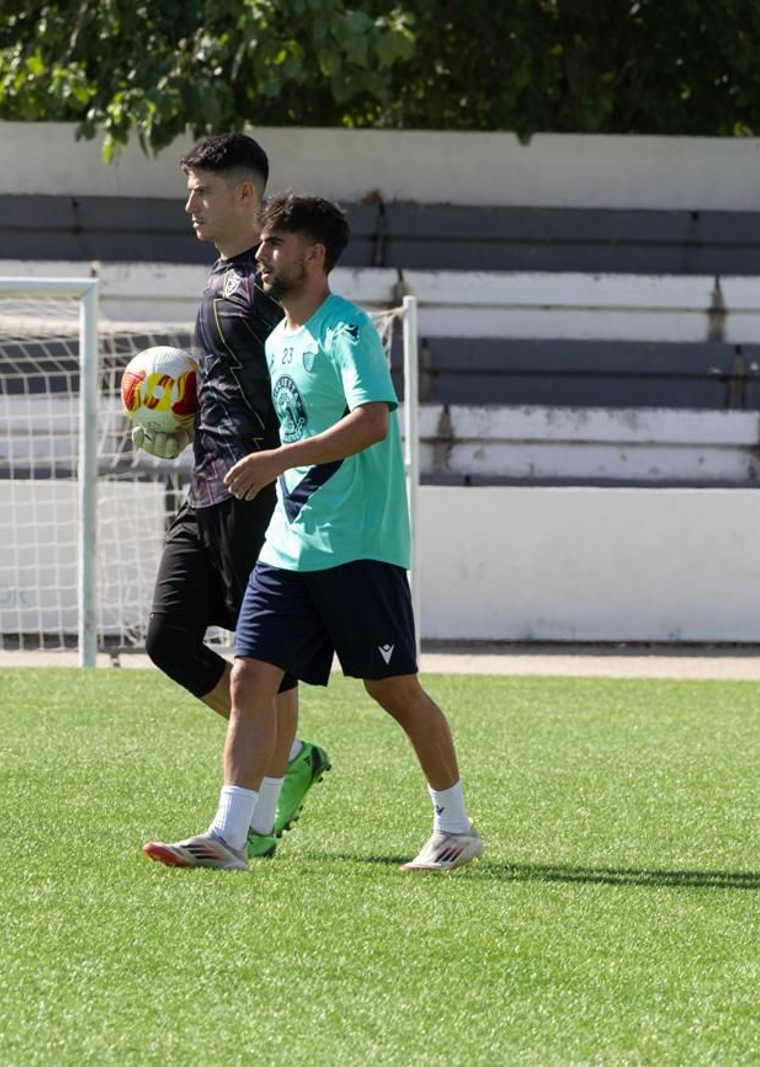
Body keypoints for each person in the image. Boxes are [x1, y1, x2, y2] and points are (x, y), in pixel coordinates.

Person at [142, 193, 483, 873]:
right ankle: (229, 833)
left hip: (357, 542)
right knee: (248, 678)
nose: (262, 256)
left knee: (394, 690)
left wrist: (277, 460)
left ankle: (455, 826)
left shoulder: (348, 330)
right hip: (289, 542)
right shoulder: (278, 339)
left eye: (274, 244)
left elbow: (371, 421)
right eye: (263, 244)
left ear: (313, 255)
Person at [131, 133, 329, 860]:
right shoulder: (219, 275)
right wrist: (180, 416)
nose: (190, 202)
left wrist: (289, 466)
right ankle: (294, 754)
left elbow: (311, 379)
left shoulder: (275, 283)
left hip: (260, 491)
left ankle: (259, 814)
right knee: (168, 638)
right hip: (205, 487)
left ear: (246, 196)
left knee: (264, 657)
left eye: (203, 190)